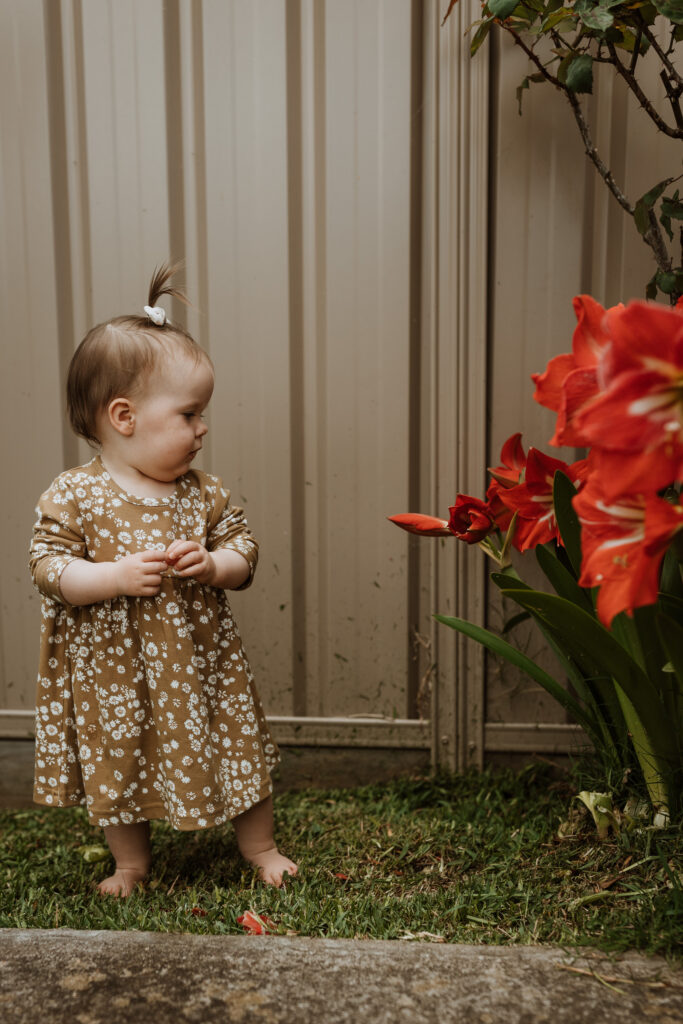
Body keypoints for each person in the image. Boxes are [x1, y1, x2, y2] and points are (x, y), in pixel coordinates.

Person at [29, 263, 298, 897]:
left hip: (201, 663)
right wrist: (113, 576)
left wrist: (216, 566)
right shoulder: (76, 494)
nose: (202, 428)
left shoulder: (201, 493)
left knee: (235, 744)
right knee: (119, 757)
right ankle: (131, 865)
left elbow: (244, 549)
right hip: (113, 674)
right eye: (189, 413)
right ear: (123, 416)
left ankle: (260, 846)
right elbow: (48, 567)